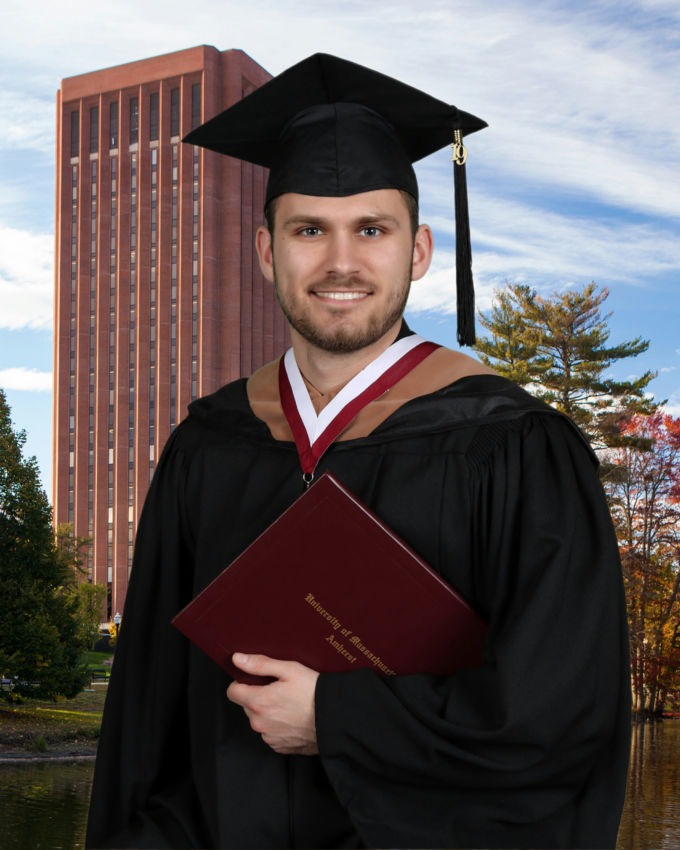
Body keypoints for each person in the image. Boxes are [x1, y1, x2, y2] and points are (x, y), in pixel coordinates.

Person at [86, 54, 631, 850]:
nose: (341, 263)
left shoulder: (514, 446)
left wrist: (337, 718)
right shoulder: (208, 445)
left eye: (372, 230)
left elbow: (561, 721)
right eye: (309, 230)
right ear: (267, 252)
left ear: (419, 252)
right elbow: (149, 719)